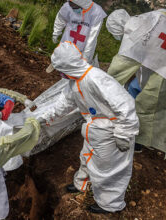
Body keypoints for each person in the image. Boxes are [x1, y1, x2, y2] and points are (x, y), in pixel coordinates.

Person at [41, 41, 139, 213]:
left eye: (59, 70)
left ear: (67, 66)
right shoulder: (74, 82)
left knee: (108, 168)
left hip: (111, 130)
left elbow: (126, 105)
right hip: (94, 128)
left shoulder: (96, 78)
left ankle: (109, 204)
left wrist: (124, 134)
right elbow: (63, 104)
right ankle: (82, 184)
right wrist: (44, 118)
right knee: (86, 156)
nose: (59, 74)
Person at [106, 9, 166, 157]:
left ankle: (138, 142)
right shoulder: (154, 15)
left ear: (117, 29)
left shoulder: (131, 41)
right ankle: (151, 138)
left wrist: (98, 84)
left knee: (146, 105)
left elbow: (116, 72)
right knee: (155, 102)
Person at [52, 0, 107, 65]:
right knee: (62, 62)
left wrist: (86, 56)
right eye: (70, 4)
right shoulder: (68, 6)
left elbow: (92, 36)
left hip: (83, 46)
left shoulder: (96, 12)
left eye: (75, 6)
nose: (72, 7)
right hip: (67, 41)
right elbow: (61, 19)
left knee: (77, 67)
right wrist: (56, 32)